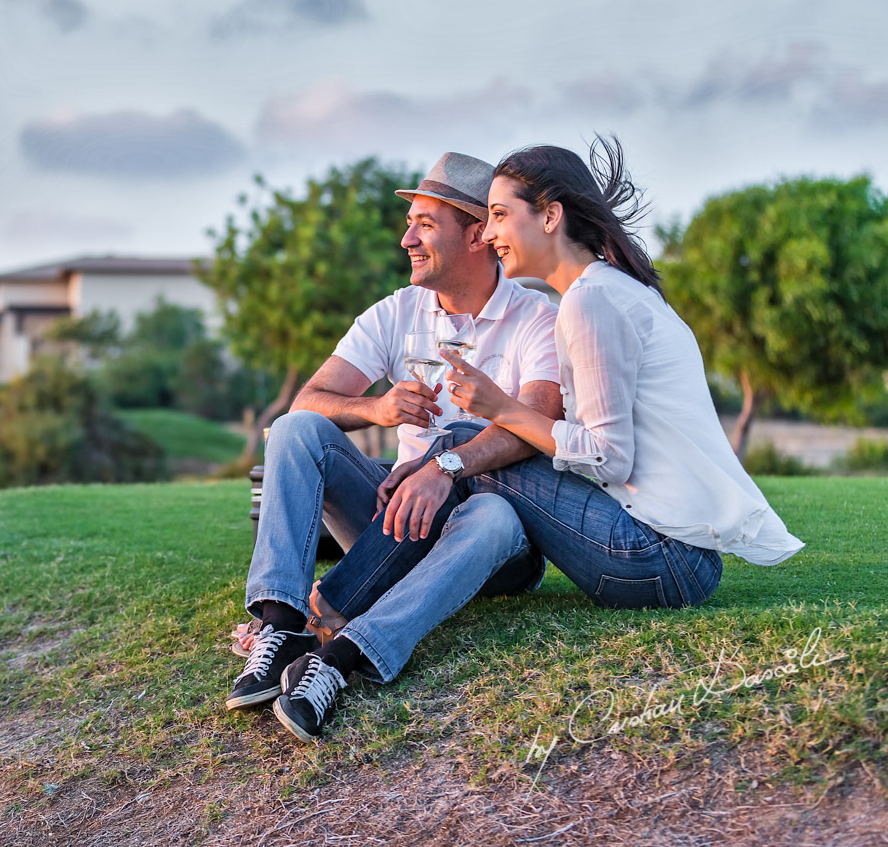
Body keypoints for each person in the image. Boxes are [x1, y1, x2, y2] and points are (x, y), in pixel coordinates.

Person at [308, 135, 804, 737]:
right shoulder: (603, 291)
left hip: (660, 558)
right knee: (465, 444)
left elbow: (608, 457)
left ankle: (330, 611)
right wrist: (494, 421)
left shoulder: (590, 302)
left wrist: (495, 417)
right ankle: (347, 606)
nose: (489, 234)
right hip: (671, 550)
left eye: (498, 215)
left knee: (463, 446)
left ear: (549, 215)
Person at [227, 152, 564, 742]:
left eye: (426, 224)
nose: (407, 237)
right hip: (395, 523)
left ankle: (346, 655)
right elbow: (311, 399)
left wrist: (442, 468)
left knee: (491, 513)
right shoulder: (396, 312)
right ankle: (282, 625)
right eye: (410, 222)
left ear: (479, 232)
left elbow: (537, 419)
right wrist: (376, 409)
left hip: (493, 543)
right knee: (293, 430)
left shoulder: (537, 318)